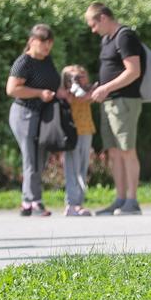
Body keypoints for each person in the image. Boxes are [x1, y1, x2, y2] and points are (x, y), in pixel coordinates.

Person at [84, 3, 143, 215]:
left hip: (124, 102)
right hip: (109, 102)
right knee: (114, 152)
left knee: (127, 150)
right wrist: (97, 89)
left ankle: (132, 201)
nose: (92, 29)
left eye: (93, 24)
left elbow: (134, 71)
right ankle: (120, 199)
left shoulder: (125, 36)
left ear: (103, 18)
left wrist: (106, 88)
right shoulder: (106, 39)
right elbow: (112, 70)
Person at [6, 24, 64, 217]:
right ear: (32, 41)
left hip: (42, 115)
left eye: (50, 42)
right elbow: (12, 89)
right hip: (24, 113)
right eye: (43, 42)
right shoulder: (24, 62)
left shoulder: (47, 61)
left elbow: (54, 84)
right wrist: (39, 93)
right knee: (31, 157)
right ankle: (33, 201)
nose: (47, 46)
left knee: (40, 157)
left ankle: (29, 200)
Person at [61, 65, 95, 216]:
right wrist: (72, 86)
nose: (78, 80)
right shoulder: (66, 93)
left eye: (81, 76)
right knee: (72, 168)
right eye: (73, 77)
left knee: (82, 169)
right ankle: (71, 203)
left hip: (87, 131)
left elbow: (91, 96)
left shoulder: (88, 91)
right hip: (72, 133)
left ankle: (78, 203)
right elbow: (73, 97)